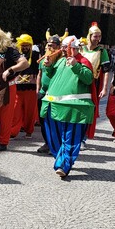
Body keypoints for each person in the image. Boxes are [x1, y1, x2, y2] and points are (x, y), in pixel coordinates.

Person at [40, 35, 94, 178]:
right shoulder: (60, 61)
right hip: (54, 105)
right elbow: (51, 76)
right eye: (63, 47)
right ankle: (62, 159)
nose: (63, 50)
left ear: (75, 48)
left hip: (74, 108)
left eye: (66, 47)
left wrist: (76, 65)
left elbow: (89, 79)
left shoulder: (84, 61)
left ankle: (64, 165)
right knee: (54, 138)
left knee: (70, 138)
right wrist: (49, 66)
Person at [80, 22, 110, 144]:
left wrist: (104, 88)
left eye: (99, 36)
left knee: (89, 110)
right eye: (95, 36)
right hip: (79, 81)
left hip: (93, 84)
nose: (97, 39)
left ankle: (84, 137)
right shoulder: (81, 48)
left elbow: (107, 71)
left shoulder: (102, 51)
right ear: (90, 36)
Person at [10, 34, 40, 139]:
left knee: (30, 111)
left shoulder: (36, 55)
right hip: (17, 87)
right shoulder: (16, 55)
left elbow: (40, 71)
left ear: (31, 45)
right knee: (15, 110)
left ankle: (28, 131)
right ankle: (13, 132)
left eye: (27, 45)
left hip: (31, 88)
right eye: (23, 45)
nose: (25, 47)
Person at [36, 34, 62, 154]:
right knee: (43, 120)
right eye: (48, 45)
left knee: (54, 120)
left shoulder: (61, 60)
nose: (49, 47)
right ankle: (47, 143)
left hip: (55, 95)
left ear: (58, 46)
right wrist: (38, 89)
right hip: (42, 93)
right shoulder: (44, 58)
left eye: (52, 45)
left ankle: (55, 145)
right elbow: (39, 74)